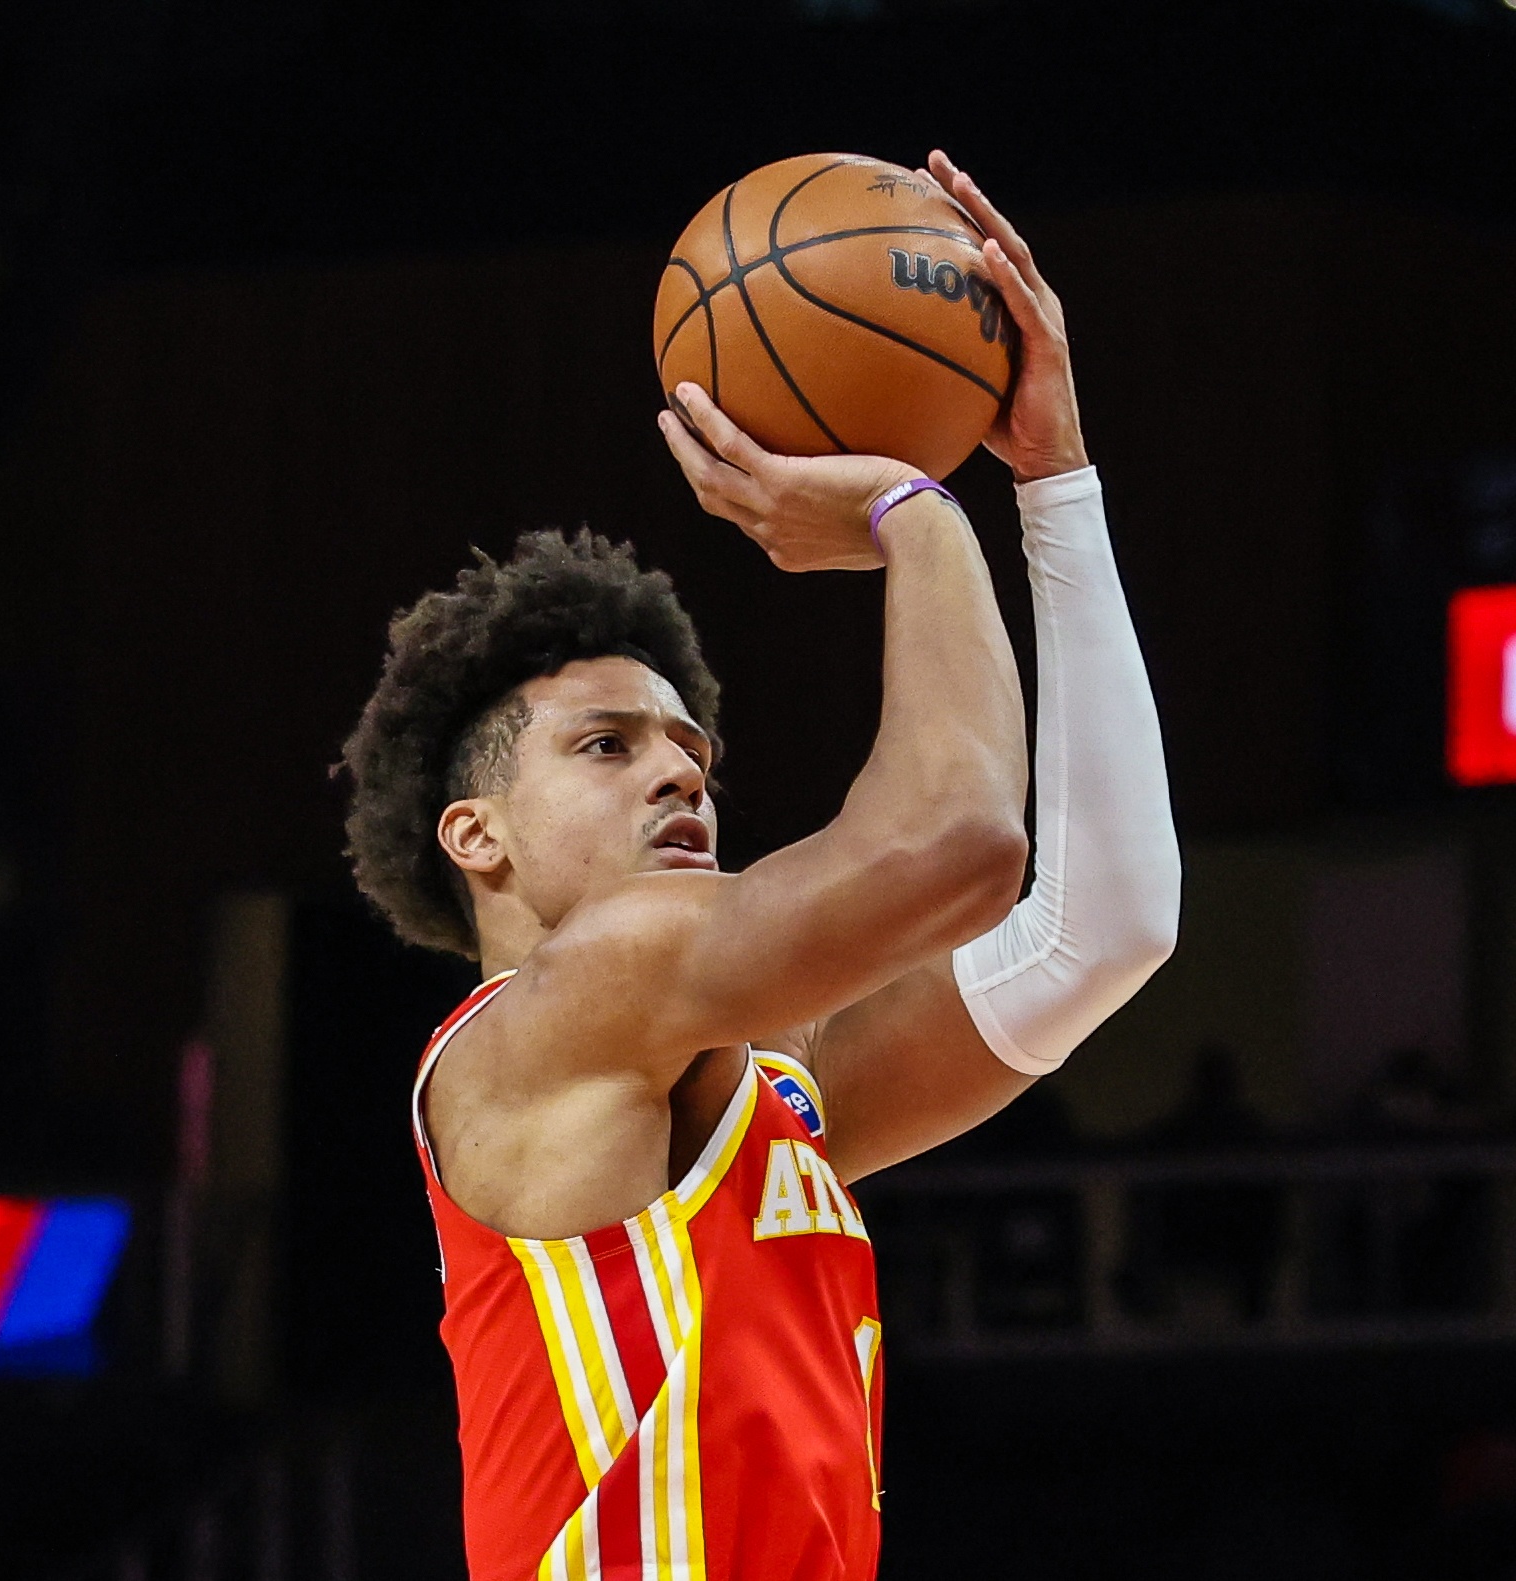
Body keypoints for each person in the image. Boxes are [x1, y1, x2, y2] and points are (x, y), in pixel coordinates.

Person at [342, 151, 1176, 1581]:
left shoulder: (767, 1086)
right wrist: (920, 518)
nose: (680, 772)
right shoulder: (558, 1010)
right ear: (476, 836)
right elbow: (964, 843)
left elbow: (1106, 929)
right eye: (606, 747)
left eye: (692, 751)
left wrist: (1058, 483)